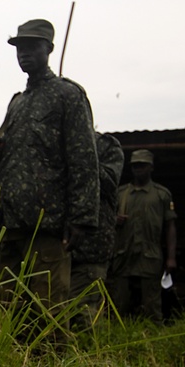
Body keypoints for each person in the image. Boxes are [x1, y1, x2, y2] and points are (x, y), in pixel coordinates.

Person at [0, 18, 99, 327]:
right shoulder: (17, 104)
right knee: (12, 310)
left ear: (48, 49)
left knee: (49, 311)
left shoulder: (68, 95)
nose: (24, 53)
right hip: (12, 224)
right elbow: (14, 160)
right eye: (20, 47)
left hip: (47, 224)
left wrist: (81, 218)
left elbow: (84, 158)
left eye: (32, 46)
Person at [108, 149, 178, 322]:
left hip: (150, 255)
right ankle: (117, 338)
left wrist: (171, 257)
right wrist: (114, 220)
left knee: (152, 303)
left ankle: (153, 339)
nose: (138, 169)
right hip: (123, 254)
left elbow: (170, 226)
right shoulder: (121, 194)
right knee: (119, 302)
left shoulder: (161, 194)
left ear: (151, 167)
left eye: (142, 165)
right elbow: (105, 221)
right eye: (135, 166)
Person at [70, 133, 124, 325]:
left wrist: (81, 159)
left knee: (86, 313)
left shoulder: (106, 145)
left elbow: (109, 181)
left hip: (92, 247)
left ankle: (90, 355)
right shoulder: (60, 142)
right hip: (62, 248)